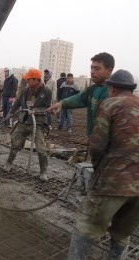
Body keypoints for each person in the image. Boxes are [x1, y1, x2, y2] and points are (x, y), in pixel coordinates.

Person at [67, 69, 139, 260]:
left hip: (113, 182)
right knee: (122, 235)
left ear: (112, 88)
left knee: (85, 228)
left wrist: (98, 170)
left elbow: (97, 145)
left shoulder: (109, 105)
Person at [47, 52, 115, 137]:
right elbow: (80, 98)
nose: (92, 72)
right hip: (94, 141)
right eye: (91, 68)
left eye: (97, 69)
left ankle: (69, 127)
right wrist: (61, 103)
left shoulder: (114, 93)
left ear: (109, 70)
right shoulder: (93, 89)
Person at [4, 69, 52, 181]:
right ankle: (9, 163)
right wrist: (10, 113)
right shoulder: (26, 90)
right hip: (24, 121)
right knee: (15, 143)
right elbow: (17, 103)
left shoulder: (47, 92)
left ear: (37, 80)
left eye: (29, 79)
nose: (27, 81)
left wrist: (36, 110)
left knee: (41, 149)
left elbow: (48, 108)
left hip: (38, 123)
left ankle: (43, 172)